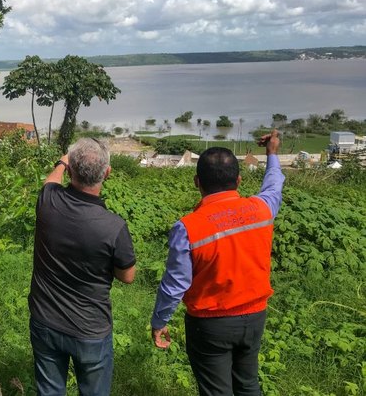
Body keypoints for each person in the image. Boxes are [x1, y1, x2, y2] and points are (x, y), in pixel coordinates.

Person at [150, 130, 285, 396]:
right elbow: (274, 184)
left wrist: (159, 320)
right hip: (255, 316)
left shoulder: (188, 228)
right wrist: (271, 153)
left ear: (196, 182)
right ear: (239, 179)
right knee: (248, 385)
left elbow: (176, 283)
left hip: (211, 324)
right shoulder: (262, 209)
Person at [28, 138, 136, 396]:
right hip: (90, 328)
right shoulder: (113, 226)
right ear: (107, 173)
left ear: (71, 171)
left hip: (46, 319)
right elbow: (127, 276)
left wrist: (64, 161)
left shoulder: (48, 202)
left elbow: (50, 182)